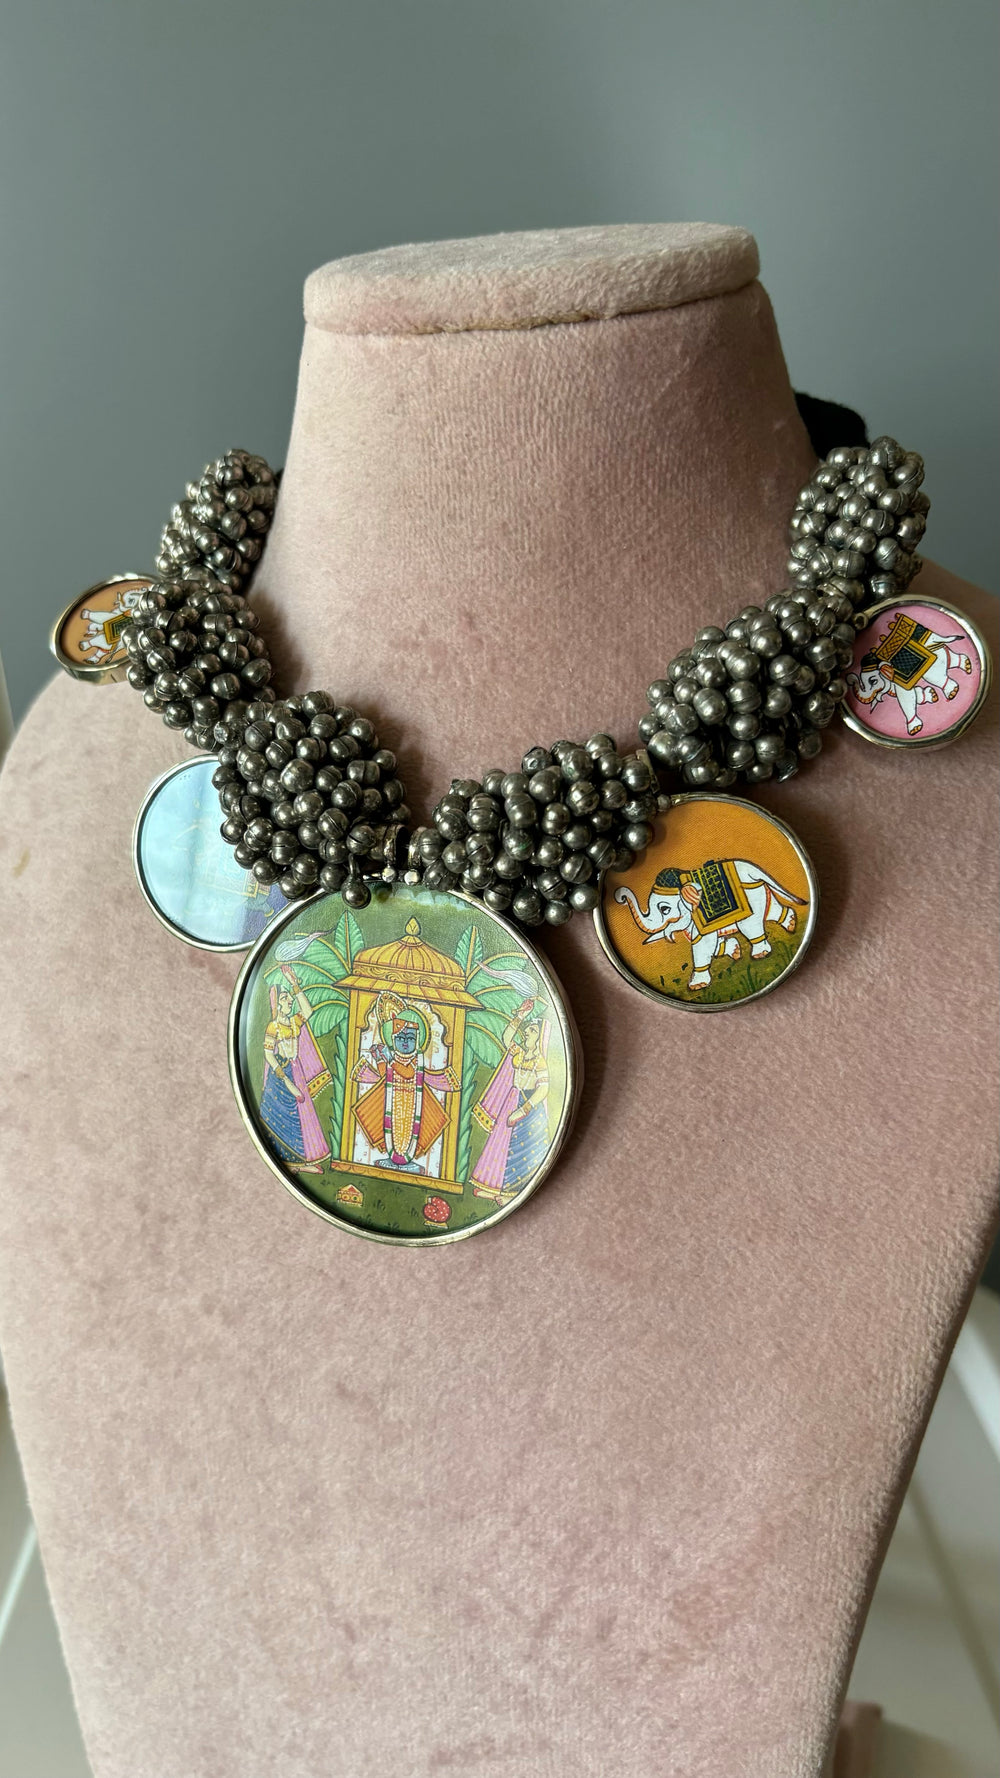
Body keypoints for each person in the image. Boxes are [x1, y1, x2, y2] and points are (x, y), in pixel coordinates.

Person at [471, 999, 550, 1201]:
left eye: (532, 1031)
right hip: (511, 1101)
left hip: (528, 1109)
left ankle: (512, 1194)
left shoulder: (539, 1061)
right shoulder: (519, 1054)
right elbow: (506, 1037)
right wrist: (520, 1016)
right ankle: (494, 1188)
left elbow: (543, 1088)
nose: (527, 1033)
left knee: (520, 1151)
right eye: (528, 1030)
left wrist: (524, 1109)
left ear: (540, 1037)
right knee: (500, 1144)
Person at [260, 974, 332, 1173]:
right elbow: (269, 1055)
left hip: (296, 1070)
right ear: (276, 1003)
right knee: (283, 1119)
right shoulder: (273, 1027)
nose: (290, 1001)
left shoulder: (293, 1022)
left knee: (301, 1116)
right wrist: (287, 1081)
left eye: (289, 997)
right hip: (280, 1077)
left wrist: (294, 985)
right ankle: (288, 1163)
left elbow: (308, 1011)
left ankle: (301, 1163)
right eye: (284, 998)